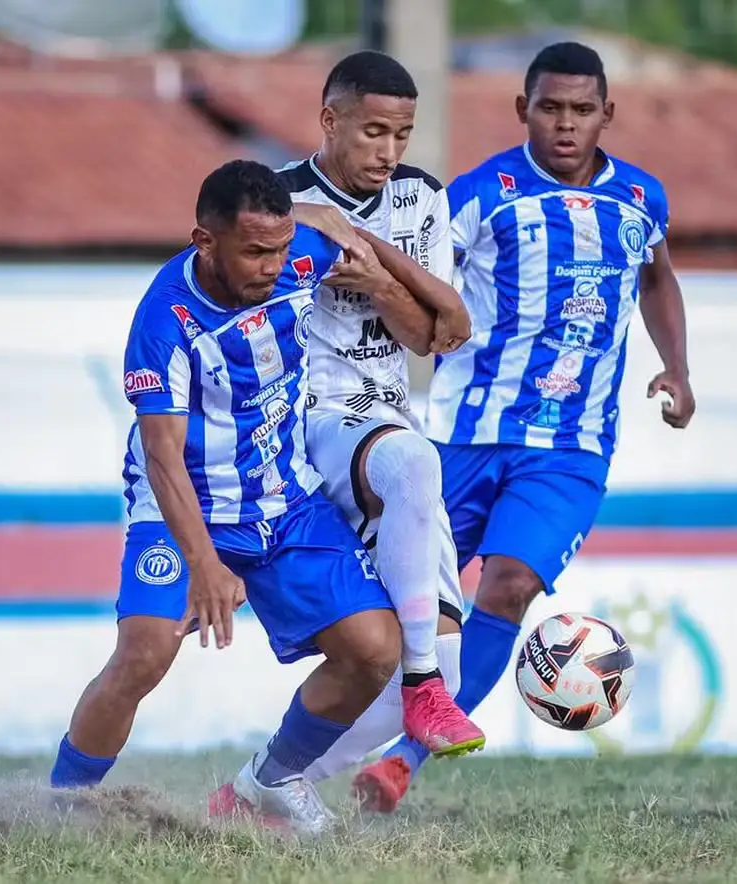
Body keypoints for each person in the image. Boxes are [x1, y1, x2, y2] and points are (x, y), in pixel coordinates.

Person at [354, 41, 697, 811]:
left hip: (572, 450)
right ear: (524, 111)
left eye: (582, 111)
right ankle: (298, 761)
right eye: (550, 108)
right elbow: (423, 280)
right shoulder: (481, 195)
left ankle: (403, 764)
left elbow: (658, 277)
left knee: (506, 589)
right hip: (464, 438)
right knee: (389, 616)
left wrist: (677, 367)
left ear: (607, 114)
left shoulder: (642, 200)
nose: (566, 125)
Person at [48, 159, 406, 837]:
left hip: (281, 497)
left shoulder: (299, 246)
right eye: (254, 252)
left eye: (280, 248)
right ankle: (58, 808)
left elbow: (334, 226)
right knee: (145, 651)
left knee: (374, 649)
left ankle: (271, 778)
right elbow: (161, 456)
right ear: (203, 242)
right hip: (182, 503)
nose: (273, 266)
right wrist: (206, 562)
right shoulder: (163, 320)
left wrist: (426, 301)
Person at [274, 49, 485, 775]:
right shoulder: (274, 197)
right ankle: (421, 683)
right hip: (307, 418)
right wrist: (305, 217)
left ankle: (263, 787)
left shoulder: (420, 198)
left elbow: (434, 334)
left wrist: (372, 271)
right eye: (373, 133)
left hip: (386, 409)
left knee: (452, 662)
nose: (389, 151)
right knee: (412, 459)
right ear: (330, 121)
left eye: (402, 134)